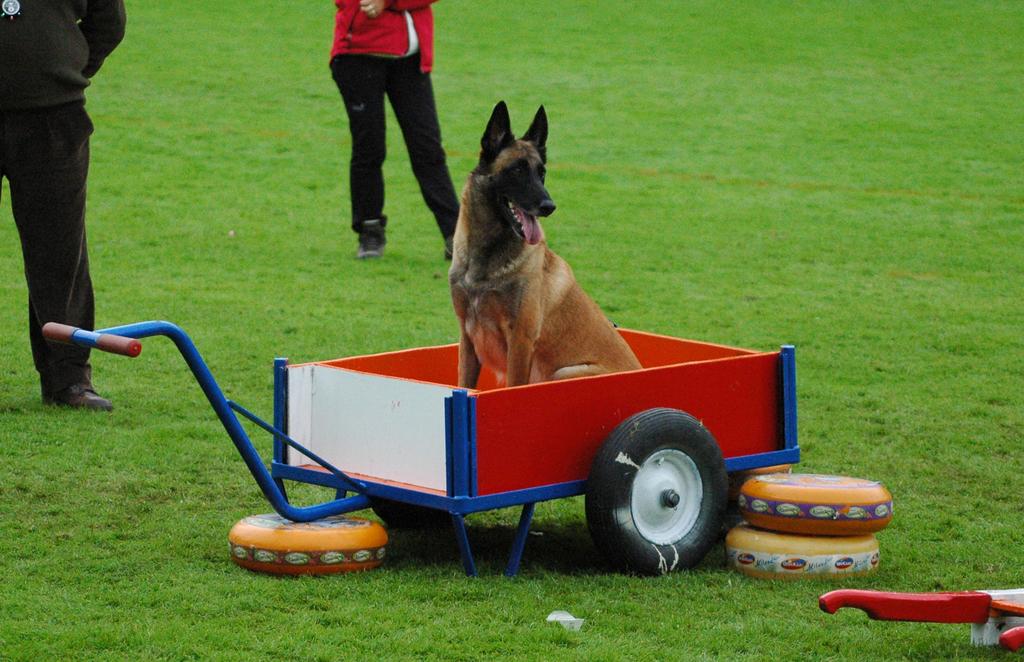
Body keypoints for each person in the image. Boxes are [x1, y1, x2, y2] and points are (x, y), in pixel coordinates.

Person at [0, 0, 126, 410]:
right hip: (52, 108)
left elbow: (108, 22)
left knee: (59, 254)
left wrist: (62, 72)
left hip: (54, 116)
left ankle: (68, 379)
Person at [330, 0, 460, 259]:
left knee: (427, 149)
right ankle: (369, 230)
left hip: (411, 61)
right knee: (370, 148)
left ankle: (456, 236)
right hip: (359, 55)